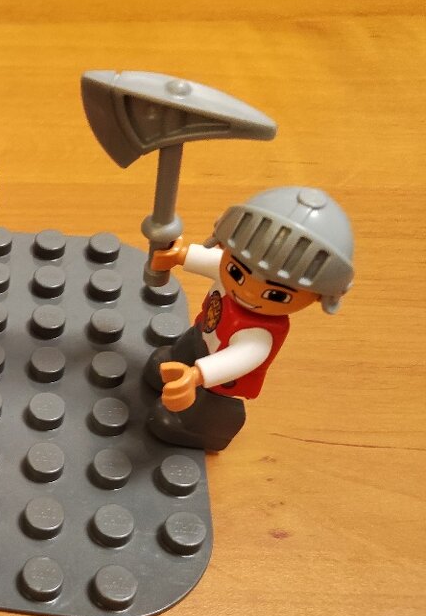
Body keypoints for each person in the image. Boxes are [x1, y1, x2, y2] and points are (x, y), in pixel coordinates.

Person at [143, 186, 355, 451]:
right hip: (201, 336)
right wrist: (181, 255)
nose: (249, 291)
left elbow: (240, 358)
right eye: (238, 272)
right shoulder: (228, 271)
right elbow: (217, 262)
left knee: (209, 404)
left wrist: (197, 376)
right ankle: (177, 364)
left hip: (220, 379)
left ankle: (195, 427)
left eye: (276, 294)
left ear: (319, 296)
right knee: (182, 351)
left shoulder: (260, 333)